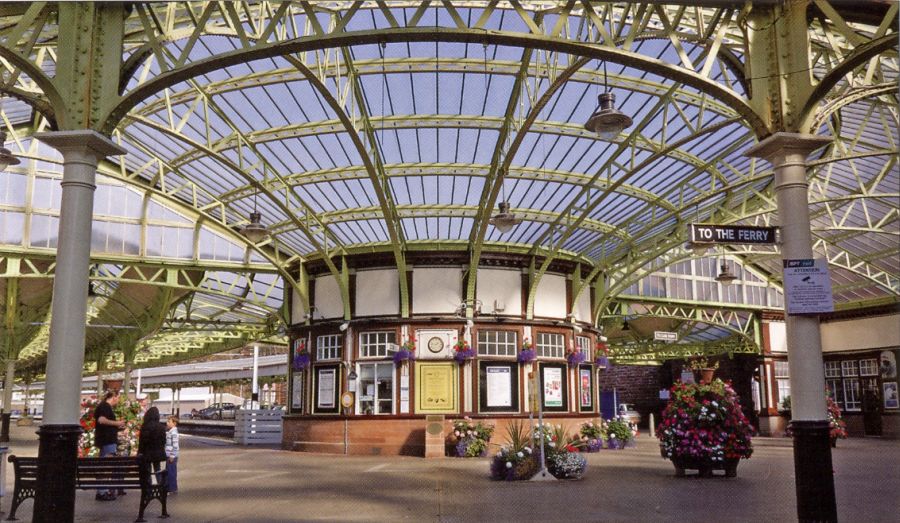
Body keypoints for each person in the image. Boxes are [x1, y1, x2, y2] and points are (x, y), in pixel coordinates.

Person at [94, 391, 126, 501]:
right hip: (107, 441)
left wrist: (117, 430)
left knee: (105, 466)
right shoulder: (105, 406)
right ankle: (103, 492)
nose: (118, 400)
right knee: (107, 467)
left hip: (105, 440)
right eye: (118, 398)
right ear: (113, 397)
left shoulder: (103, 406)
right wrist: (117, 423)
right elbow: (101, 420)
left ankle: (102, 490)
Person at [138, 407, 167, 485]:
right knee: (158, 469)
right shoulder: (161, 427)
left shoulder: (144, 426)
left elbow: (142, 441)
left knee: (148, 471)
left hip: (147, 452)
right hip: (157, 453)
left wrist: (140, 452)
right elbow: (164, 441)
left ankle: (148, 487)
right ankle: (160, 485)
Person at [165, 416, 180, 493]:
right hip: (169, 455)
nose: (167, 423)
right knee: (169, 472)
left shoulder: (173, 433)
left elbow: (175, 446)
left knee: (171, 473)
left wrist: (172, 455)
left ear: (174, 423)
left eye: (169, 421)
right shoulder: (171, 431)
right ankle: (171, 488)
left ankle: (172, 488)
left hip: (171, 456)